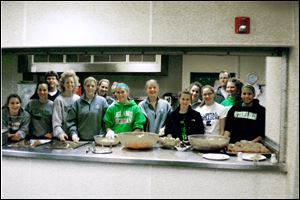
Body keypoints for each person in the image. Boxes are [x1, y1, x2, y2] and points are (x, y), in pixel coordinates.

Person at [66, 77, 108, 141]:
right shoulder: (77, 103)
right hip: (80, 140)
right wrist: (73, 133)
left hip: (98, 140)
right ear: (84, 86)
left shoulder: (102, 102)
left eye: (92, 86)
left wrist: (103, 134)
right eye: (88, 85)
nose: (90, 88)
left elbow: (106, 120)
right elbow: (71, 121)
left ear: (96, 87)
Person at [52, 70, 80, 142]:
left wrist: (75, 134)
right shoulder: (59, 100)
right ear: (63, 84)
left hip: (76, 137)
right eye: (67, 82)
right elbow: (56, 121)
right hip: (63, 137)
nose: (70, 84)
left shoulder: (78, 99)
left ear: (75, 84)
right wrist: (60, 133)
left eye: (72, 82)